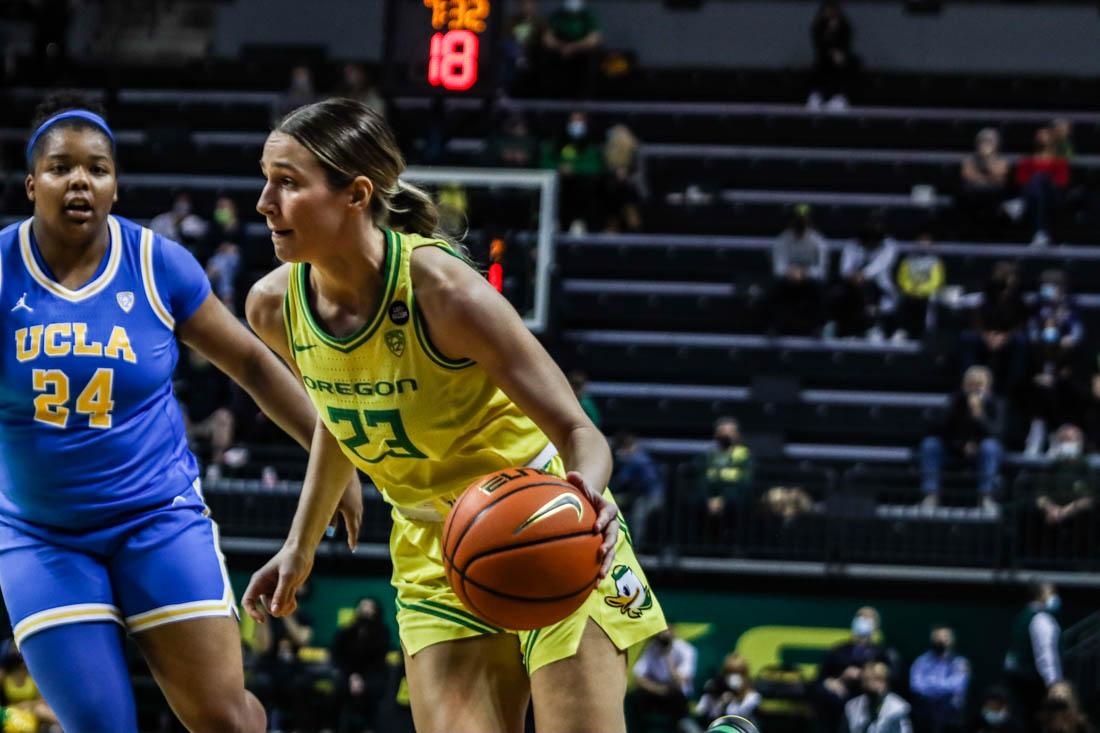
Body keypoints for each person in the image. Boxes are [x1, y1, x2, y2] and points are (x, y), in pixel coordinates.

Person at [241, 98, 666, 733]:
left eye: (288, 183)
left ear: (355, 195)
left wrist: (588, 496)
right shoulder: (273, 306)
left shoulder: (447, 293)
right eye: (265, 178)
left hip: (546, 525)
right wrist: (300, 546)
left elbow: (581, 432)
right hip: (433, 554)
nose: (263, 202)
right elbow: (340, 414)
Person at [0, 96, 362, 733]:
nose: (80, 180)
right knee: (101, 725)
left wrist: (332, 457)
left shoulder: (156, 263)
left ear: (116, 185)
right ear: (32, 185)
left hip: (156, 517)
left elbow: (252, 364)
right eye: (61, 168)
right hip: (42, 535)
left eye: (98, 168)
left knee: (223, 717)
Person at [918, 365, 1004, 510]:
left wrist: (979, 415)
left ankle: (986, 496)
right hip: (954, 450)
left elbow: (997, 433)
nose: (974, 390)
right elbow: (940, 429)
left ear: (988, 388)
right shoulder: (955, 401)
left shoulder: (996, 403)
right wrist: (962, 444)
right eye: (971, 385)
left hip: (981, 452)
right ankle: (931, 494)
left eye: (979, 386)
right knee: (930, 444)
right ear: (964, 386)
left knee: (990, 447)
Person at [815, 607, 892, 732]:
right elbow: (820, 677)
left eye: (868, 619)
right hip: (839, 697)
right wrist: (830, 682)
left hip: (866, 696)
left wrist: (864, 675)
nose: (863, 621)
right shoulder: (838, 650)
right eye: (860, 617)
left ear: (876, 626)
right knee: (824, 695)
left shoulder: (882, 652)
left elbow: (888, 677)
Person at [1004, 581, 1064, 727]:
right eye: (1051, 592)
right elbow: (1045, 655)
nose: (1054, 596)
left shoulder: (1023, 615)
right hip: (1034, 682)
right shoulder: (1040, 618)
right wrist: (1054, 682)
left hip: (1019, 679)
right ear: (1041, 595)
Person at [331, 597, 390, 733]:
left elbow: (378, 660)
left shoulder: (382, 633)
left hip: (372, 675)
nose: (366, 611)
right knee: (337, 686)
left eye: (370, 608)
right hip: (347, 674)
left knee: (377, 687)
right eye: (363, 607)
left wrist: (362, 679)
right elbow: (338, 657)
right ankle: (332, 726)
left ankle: (370, 727)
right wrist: (353, 676)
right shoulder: (345, 631)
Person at [540, 112, 604, 233]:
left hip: (581, 188)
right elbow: (545, 163)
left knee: (587, 187)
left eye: (580, 121)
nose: (577, 125)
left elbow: (595, 167)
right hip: (558, 187)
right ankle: (554, 220)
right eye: (574, 121)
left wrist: (574, 169)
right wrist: (558, 168)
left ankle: (579, 221)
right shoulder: (556, 143)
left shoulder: (591, 145)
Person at [770, 204, 827, 336]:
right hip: (788, 280)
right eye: (798, 220)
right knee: (775, 288)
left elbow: (822, 270)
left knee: (820, 288)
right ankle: (775, 327)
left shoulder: (818, 241)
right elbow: (778, 268)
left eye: (804, 220)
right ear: (791, 221)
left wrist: (804, 273)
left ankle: (818, 327)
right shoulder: (782, 240)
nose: (801, 223)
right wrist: (790, 272)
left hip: (809, 281)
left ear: (809, 221)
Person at [699, 417, 754, 546]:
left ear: (737, 435)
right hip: (710, 501)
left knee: (737, 506)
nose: (726, 435)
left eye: (730, 431)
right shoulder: (707, 456)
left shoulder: (744, 456)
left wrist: (723, 499)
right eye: (722, 431)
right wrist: (709, 499)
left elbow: (745, 483)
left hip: (735, 500)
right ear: (716, 435)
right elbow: (700, 482)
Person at [632, 628, 697, 733]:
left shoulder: (686, 649)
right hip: (657, 691)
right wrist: (658, 689)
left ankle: (684, 726)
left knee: (677, 698)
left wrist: (668, 655)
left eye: (666, 631)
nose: (663, 634)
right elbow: (638, 677)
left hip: (678, 696)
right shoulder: (652, 648)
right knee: (636, 696)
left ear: (673, 631)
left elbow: (679, 682)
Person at [908, 626, 969, 733]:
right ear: (932, 639)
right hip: (925, 713)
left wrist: (930, 682)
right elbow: (916, 685)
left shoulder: (960, 662)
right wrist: (943, 686)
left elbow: (958, 685)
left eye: (945, 637)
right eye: (938, 637)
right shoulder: (921, 661)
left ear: (952, 640)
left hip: (950, 715)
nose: (941, 640)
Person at [1016, 127, 1070, 247]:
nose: (1041, 138)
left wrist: (1044, 181)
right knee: (1038, 191)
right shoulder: (1027, 160)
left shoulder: (1058, 160)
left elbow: (1062, 181)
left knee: (1040, 178)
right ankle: (1040, 233)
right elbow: (1021, 180)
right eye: (1038, 135)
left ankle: (1021, 203)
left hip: (1054, 195)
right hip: (1033, 195)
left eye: (1044, 135)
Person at [611, 432, 665, 550]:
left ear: (626, 445)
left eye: (620, 448)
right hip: (645, 495)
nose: (619, 452)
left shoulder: (636, 459)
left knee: (637, 515)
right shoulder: (643, 454)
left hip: (651, 497)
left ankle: (635, 548)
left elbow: (621, 481)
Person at [1036, 424, 1095, 526]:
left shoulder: (1087, 467)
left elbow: (1089, 499)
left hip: (1080, 522)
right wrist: (1052, 510)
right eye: (1065, 439)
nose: (1070, 443)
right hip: (1050, 518)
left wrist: (1064, 513)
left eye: (1075, 439)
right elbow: (1040, 495)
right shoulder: (1052, 466)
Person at [541, 0, 603, 98]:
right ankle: (551, 104)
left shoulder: (587, 15)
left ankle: (581, 108)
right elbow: (547, 39)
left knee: (591, 60)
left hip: (582, 53)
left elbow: (594, 39)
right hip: (560, 51)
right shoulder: (557, 15)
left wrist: (572, 47)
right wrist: (562, 47)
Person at [808, 0, 860, 111]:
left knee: (843, 64)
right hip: (824, 56)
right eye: (828, 10)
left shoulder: (844, 25)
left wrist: (839, 53)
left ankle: (839, 97)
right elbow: (818, 44)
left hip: (840, 56)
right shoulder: (819, 25)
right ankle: (817, 96)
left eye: (833, 10)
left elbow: (846, 43)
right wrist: (830, 32)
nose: (831, 12)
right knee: (822, 65)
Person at [959, 128, 1010, 236]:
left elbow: (1000, 176)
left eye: (989, 142)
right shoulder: (969, 159)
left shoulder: (1002, 160)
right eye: (983, 141)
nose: (986, 144)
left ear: (996, 144)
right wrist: (988, 178)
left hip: (994, 194)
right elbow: (967, 175)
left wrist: (988, 158)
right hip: (973, 193)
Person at [894, 232, 944, 340]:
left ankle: (928, 331)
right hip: (910, 293)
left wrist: (921, 291)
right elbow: (902, 278)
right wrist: (911, 290)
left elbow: (937, 281)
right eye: (920, 243)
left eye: (926, 243)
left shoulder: (935, 261)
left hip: (926, 294)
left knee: (932, 300)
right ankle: (903, 330)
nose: (923, 246)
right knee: (900, 299)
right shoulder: (908, 259)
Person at [694, 654, 762, 731]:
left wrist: (730, 701)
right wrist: (719, 701)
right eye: (730, 672)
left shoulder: (753, 697)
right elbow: (702, 713)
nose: (734, 677)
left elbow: (738, 715)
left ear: (745, 674)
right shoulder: (715, 694)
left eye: (739, 673)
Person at [844, 662, 913, 733]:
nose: (865, 684)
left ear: (885, 681)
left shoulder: (898, 708)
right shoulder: (851, 706)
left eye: (878, 679)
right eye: (865, 680)